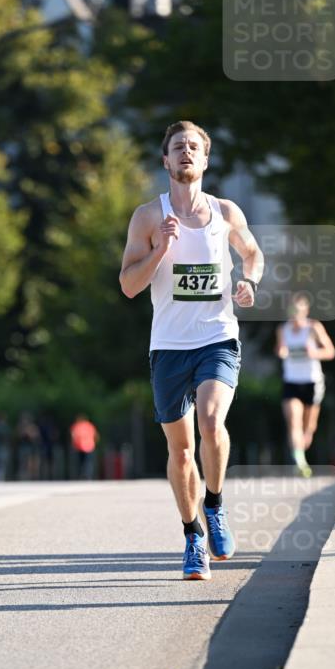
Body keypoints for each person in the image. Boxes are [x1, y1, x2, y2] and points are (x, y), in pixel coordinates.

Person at [119, 120, 262, 581]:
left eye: (193, 147)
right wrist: (160, 249)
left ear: (205, 159)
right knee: (181, 452)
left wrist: (248, 281)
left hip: (217, 337)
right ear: (165, 160)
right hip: (168, 348)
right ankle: (192, 535)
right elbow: (127, 285)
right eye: (177, 147)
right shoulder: (147, 216)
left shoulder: (225, 212)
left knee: (211, 419)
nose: (185, 153)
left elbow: (253, 253)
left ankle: (215, 506)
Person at [275, 293, 335, 477]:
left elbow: (330, 351)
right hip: (291, 381)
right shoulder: (282, 329)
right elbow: (279, 349)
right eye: (292, 310)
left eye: (298, 310)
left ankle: (303, 445)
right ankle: (300, 462)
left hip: (312, 381)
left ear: (305, 311)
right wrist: (282, 351)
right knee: (293, 419)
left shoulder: (314, 327)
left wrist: (315, 353)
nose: (295, 314)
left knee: (308, 429)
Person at [70, 414, 99, 479]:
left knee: (80, 463)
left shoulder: (77, 426)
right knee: (88, 463)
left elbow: (73, 435)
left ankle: (81, 475)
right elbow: (95, 435)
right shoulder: (89, 425)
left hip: (79, 447)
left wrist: (73, 444)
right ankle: (88, 476)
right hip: (90, 446)